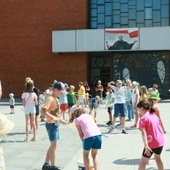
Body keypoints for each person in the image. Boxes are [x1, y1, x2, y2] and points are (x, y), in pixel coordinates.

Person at [41, 82, 67, 170]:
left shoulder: (56, 98)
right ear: (55, 90)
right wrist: (53, 117)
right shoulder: (51, 99)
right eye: (61, 92)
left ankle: (46, 164)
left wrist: (60, 119)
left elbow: (56, 113)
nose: (62, 94)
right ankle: (53, 166)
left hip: (55, 124)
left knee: (53, 145)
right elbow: (43, 111)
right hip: (51, 124)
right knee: (54, 145)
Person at [69, 105, 102, 170]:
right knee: (95, 154)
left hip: (88, 136)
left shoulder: (77, 120)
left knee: (85, 155)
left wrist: (83, 142)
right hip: (98, 134)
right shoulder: (88, 115)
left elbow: (80, 133)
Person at [137, 100, 165, 170]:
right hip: (160, 141)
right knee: (158, 158)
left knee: (143, 162)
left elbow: (143, 132)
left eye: (139, 109)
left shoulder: (143, 119)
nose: (138, 111)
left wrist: (146, 145)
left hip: (152, 143)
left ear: (142, 108)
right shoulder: (154, 115)